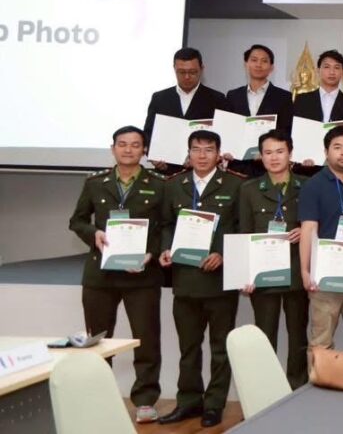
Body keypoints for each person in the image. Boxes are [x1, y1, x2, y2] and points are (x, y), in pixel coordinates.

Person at [68, 126, 165, 423]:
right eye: (122, 144)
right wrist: (93, 233)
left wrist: (152, 254)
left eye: (135, 145)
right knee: (98, 341)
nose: (128, 150)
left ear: (144, 150)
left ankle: (145, 401)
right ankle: (100, 399)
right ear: (113, 149)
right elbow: (77, 220)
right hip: (101, 275)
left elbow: (167, 225)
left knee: (146, 340)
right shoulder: (96, 183)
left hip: (142, 275)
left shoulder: (159, 184)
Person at [156, 130, 241, 427]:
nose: (202, 155)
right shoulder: (173, 185)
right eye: (196, 149)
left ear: (219, 153)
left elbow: (242, 227)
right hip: (186, 279)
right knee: (188, 348)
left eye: (208, 149)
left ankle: (214, 404)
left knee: (220, 348)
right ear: (188, 153)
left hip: (219, 281)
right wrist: (165, 248)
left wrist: (223, 253)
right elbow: (165, 224)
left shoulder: (236, 185)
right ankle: (189, 402)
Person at [236, 130, 308, 389]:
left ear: (290, 153)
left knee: (298, 336)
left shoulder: (306, 185)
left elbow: (318, 223)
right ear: (261, 156)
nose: (274, 157)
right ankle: (266, 391)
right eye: (268, 152)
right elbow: (244, 233)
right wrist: (244, 274)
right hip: (263, 274)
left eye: (280, 151)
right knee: (265, 336)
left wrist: (306, 231)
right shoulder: (249, 189)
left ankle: (297, 388)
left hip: (297, 271)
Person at [298, 126, 343, 353]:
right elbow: (308, 228)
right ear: (326, 152)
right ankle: (320, 378)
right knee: (321, 341)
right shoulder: (313, 185)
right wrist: (305, 271)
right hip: (324, 273)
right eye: (337, 147)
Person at [144, 48, 227, 171]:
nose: (187, 77)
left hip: (204, 171)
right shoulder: (159, 98)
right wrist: (153, 156)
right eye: (181, 72)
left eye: (192, 72)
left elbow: (223, 136)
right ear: (174, 69)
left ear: (202, 69)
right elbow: (148, 133)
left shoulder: (217, 99)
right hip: (167, 171)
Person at [225, 45, 295, 177]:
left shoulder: (283, 97)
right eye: (254, 60)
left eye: (264, 61)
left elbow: (285, 131)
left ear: (271, 67)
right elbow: (228, 129)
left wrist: (267, 151)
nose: (258, 65)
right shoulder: (233, 95)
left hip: (269, 168)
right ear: (246, 64)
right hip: (237, 167)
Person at [293, 50, 343, 154]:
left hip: (340, 158)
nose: (332, 72)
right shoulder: (302, 100)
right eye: (327, 67)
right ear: (318, 71)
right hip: (307, 157)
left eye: (337, 67)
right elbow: (296, 131)